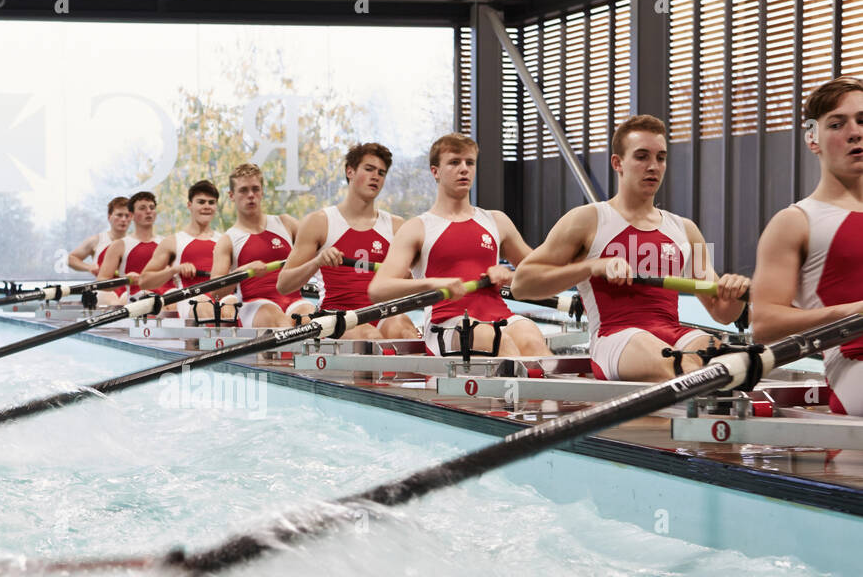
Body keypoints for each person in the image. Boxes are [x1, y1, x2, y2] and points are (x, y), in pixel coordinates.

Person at [512, 115, 748, 381]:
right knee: (684, 369)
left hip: (673, 334)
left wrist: (735, 294)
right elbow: (522, 284)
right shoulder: (587, 220)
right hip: (615, 338)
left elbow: (722, 313)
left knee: (731, 366)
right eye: (642, 156)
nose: (653, 166)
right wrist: (592, 266)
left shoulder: (686, 229)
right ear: (618, 163)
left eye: (660, 157)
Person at [370, 133, 551, 356]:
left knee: (531, 336)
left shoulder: (497, 221)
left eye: (470, 162)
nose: (464, 168)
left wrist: (509, 275)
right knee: (492, 338)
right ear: (435, 171)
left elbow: (541, 274)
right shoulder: (417, 228)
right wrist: (435, 283)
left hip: (499, 315)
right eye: (454, 162)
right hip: (446, 323)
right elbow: (378, 289)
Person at [751, 76, 863, 415]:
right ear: (812, 138)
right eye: (837, 124)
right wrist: (852, 312)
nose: (855, 132)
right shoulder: (795, 222)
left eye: (862, 120)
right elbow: (764, 323)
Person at [276, 142, 417, 339]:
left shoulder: (397, 226)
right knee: (370, 336)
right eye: (369, 169)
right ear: (350, 172)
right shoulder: (319, 222)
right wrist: (317, 262)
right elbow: (283, 284)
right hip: (337, 317)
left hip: (381, 313)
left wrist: (409, 280)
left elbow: (415, 283)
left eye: (381, 173)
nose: (375, 176)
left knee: (407, 332)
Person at [210, 163, 313, 328]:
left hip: (295, 300)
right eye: (243, 190)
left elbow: (320, 245)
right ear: (231, 195)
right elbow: (215, 293)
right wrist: (243, 271)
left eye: (255, 189)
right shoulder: (228, 240)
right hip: (255, 304)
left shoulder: (287, 223)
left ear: (262, 192)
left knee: (312, 321)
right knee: (280, 323)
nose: (250, 195)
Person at [137, 180, 230, 321]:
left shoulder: (225, 240)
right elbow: (144, 281)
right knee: (203, 305)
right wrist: (174, 270)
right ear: (189, 205)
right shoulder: (172, 242)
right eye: (201, 202)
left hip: (223, 298)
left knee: (233, 305)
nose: (207, 207)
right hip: (190, 299)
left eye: (211, 203)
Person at [96, 192, 164, 306]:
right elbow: (101, 282)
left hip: (163, 300)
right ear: (131, 215)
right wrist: (125, 279)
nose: (148, 211)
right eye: (142, 208)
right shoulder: (119, 245)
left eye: (152, 208)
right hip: (132, 301)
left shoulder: (166, 243)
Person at [67, 197, 131, 275]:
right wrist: (89, 267)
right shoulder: (96, 240)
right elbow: (70, 259)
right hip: (103, 286)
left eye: (127, 216)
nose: (123, 219)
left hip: (131, 286)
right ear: (109, 217)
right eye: (119, 215)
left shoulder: (135, 242)